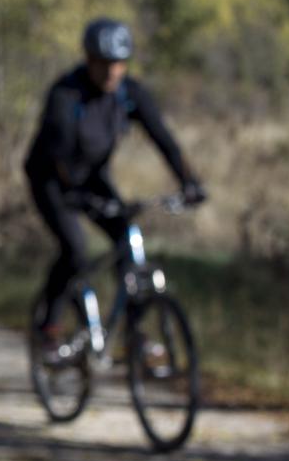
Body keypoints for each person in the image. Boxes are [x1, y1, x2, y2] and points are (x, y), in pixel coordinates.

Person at [23, 18, 205, 344]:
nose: (112, 72)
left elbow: (163, 139)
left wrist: (189, 182)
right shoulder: (66, 94)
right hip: (51, 179)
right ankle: (48, 325)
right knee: (75, 248)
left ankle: (134, 332)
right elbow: (57, 152)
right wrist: (80, 198)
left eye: (119, 64)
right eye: (105, 64)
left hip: (92, 177)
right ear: (89, 59)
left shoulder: (128, 93)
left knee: (127, 238)